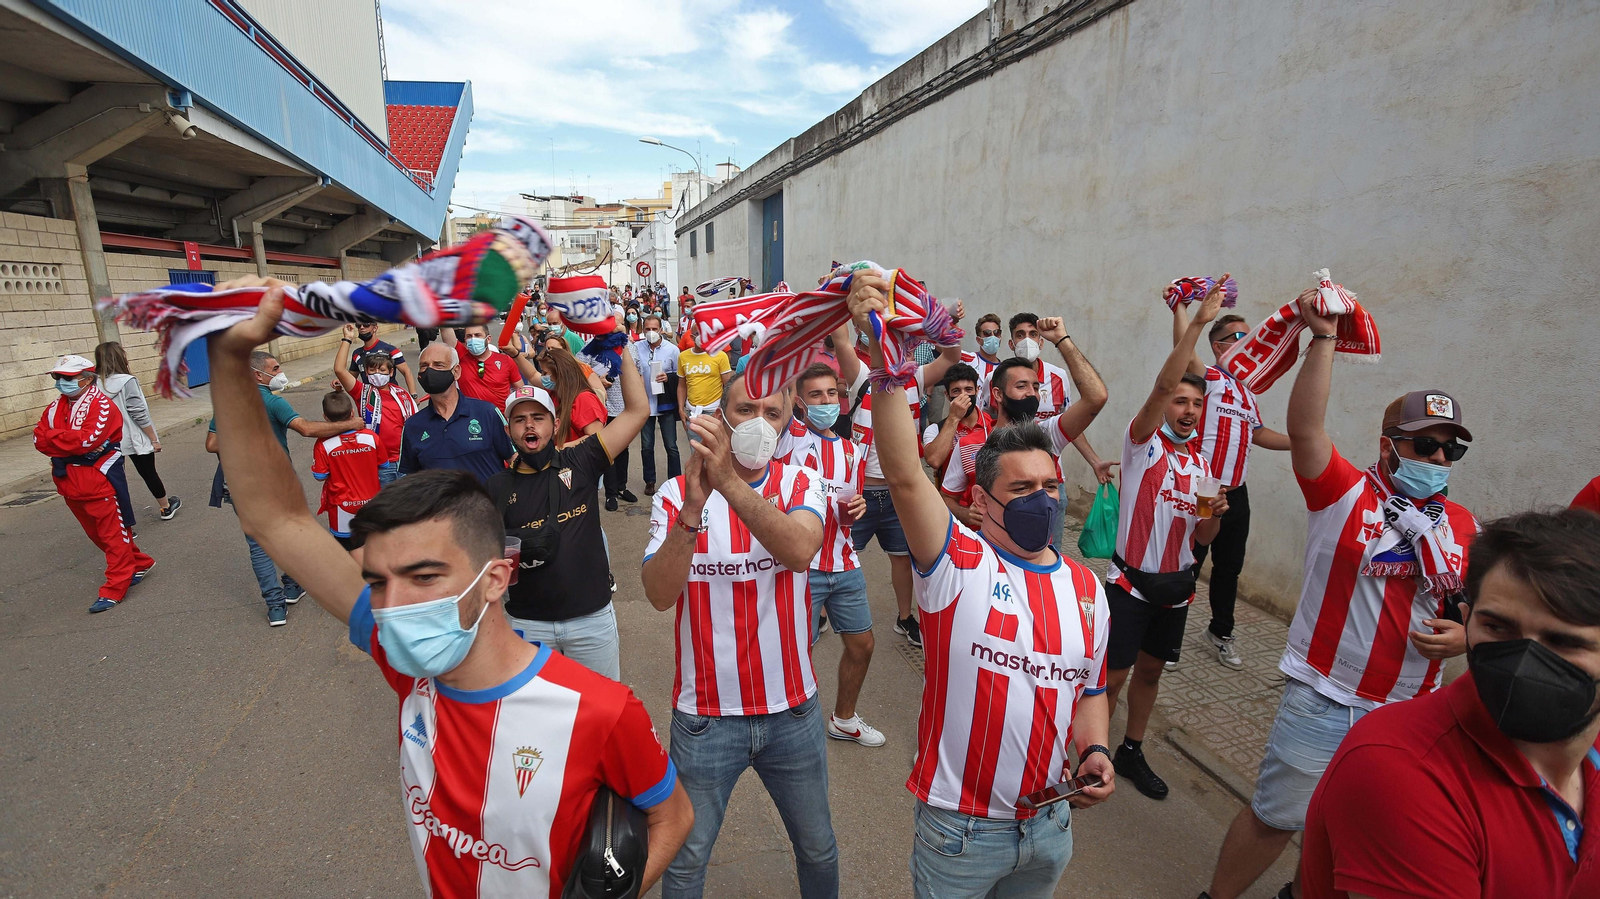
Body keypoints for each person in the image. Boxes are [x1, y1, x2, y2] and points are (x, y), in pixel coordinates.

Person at [202, 283, 693, 896]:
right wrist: (227, 360)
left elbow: (671, 814)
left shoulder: (603, 711)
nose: (392, 605)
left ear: (493, 578)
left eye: (424, 577)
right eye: (378, 582)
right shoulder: (411, 668)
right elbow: (274, 519)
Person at [845, 272, 1116, 898]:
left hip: (1051, 824)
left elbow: (1092, 687)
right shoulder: (955, 564)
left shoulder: (1085, 589)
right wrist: (886, 358)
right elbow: (908, 476)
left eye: (1050, 487)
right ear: (985, 499)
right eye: (1022, 489)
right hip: (961, 831)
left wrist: (1096, 750)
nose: (1042, 500)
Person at [1201, 293, 1480, 899]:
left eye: (1449, 449)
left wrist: (1468, 635)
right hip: (1324, 698)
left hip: (1407, 711)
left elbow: (1482, 611)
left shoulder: (1464, 526)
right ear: (1389, 445)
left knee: (1352, 829)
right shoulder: (1345, 492)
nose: (1437, 458)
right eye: (1423, 444)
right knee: (1276, 819)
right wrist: (1324, 338)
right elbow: (1305, 428)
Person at [1301, 509, 1600, 899]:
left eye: (1564, 642)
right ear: (1466, 620)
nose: (1524, 663)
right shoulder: (1398, 770)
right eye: (1497, 628)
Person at [641, 376, 835, 899]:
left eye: (772, 413)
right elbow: (659, 594)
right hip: (705, 716)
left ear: (788, 418)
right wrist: (691, 511)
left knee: (817, 848)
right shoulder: (676, 494)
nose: (758, 423)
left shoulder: (800, 482)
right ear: (721, 418)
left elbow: (798, 551)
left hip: (791, 710)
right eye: (745, 410)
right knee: (685, 861)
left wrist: (727, 481)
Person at [1102, 284, 1231, 801]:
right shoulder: (1142, 445)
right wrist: (1196, 323)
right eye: (1181, 400)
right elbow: (1160, 386)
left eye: (1197, 404)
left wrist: (1214, 513)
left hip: (1175, 589)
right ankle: (1085, 751)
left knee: (1151, 673)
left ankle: (1130, 751)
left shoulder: (1202, 466)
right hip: (1130, 585)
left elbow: (1203, 536)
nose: (1189, 409)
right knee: (1112, 677)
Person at [488, 352, 646, 679]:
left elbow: (638, 412)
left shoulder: (581, 459)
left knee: (602, 715)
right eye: (519, 419)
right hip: (528, 627)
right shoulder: (496, 487)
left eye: (538, 417)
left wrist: (623, 348)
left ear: (555, 424)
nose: (529, 425)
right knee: (542, 722)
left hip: (591, 621)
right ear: (509, 431)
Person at [833, 310, 964, 650]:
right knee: (837, 553)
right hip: (859, 490)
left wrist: (943, 322)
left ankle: (905, 618)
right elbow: (841, 340)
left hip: (897, 493)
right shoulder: (863, 374)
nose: (897, 348)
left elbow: (952, 356)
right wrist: (836, 302)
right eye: (891, 339)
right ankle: (819, 614)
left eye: (902, 341)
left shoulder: (916, 377)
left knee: (903, 558)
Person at [1174, 308, 1292, 670]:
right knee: (1188, 565)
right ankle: (1169, 638)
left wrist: (1301, 442)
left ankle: (1221, 632)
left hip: (1236, 494)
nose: (1248, 344)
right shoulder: (1206, 378)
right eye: (1239, 338)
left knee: (1229, 570)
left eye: (1249, 337)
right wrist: (1181, 308)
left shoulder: (1248, 392)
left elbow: (1258, 434)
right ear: (1217, 346)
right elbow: (1183, 345)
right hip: (1203, 490)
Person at [777, 362, 882, 747]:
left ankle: (844, 718)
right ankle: (787, 727)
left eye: (832, 394)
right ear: (801, 402)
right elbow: (780, 402)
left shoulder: (852, 450)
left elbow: (852, 500)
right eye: (816, 395)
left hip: (845, 561)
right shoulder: (792, 438)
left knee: (862, 644)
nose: (826, 401)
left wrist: (860, 508)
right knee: (793, 649)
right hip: (802, 567)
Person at [204, 347, 345, 626]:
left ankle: (275, 606)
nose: (280, 373)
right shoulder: (273, 402)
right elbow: (305, 428)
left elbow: (212, 444)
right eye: (276, 368)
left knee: (258, 546)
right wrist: (351, 422)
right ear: (259, 374)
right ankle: (293, 584)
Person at [938, 320, 1115, 536]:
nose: (1031, 393)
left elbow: (1096, 397)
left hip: (1037, 554)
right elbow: (947, 497)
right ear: (998, 395)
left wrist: (1062, 341)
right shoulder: (968, 444)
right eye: (1021, 386)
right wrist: (964, 514)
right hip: (988, 554)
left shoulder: (1047, 434)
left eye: (1036, 387)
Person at [35, 354, 155, 613]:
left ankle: (115, 586)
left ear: (87, 379)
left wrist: (58, 440)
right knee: (97, 534)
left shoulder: (100, 405)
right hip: (68, 480)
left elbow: (86, 441)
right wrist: (67, 441)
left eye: (66, 378)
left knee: (112, 535)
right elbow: (39, 441)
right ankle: (140, 562)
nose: (60, 382)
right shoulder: (55, 407)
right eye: (57, 377)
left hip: (98, 479)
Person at [399, 342, 515, 484]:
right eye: (424, 366)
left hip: (487, 504)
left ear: (456, 372)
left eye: (438, 365)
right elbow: (411, 480)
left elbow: (514, 459)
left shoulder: (487, 413)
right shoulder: (413, 426)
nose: (430, 371)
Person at [94, 341, 180, 522]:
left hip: (107, 439)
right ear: (120, 358)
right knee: (148, 472)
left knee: (116, 481)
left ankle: (123, 524)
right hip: (132, 437)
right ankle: (165, 507)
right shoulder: (127, 381)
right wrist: (153, 438)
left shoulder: (93, 384)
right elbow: (138, 412)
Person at [335, 324, 415, 486]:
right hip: (381, 463)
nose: (377, 375)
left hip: (405, 461)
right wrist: (347, 339)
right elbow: (339, 370)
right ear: (366, 373)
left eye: (382, 371)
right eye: (372, 371)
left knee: (410, 508)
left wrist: (413, 396)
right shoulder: (363, 393)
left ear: (391, 373)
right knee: (386, 507)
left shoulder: (401, 394)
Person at [310, 390, 381, 549]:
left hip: (341, 507)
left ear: (325, 417)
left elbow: (320, 475)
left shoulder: (323, 444)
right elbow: (383, 465)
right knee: (373, 551)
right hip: (372, 503)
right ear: (352, 413)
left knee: (348, 553)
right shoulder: (371, 437)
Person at [632, 313, 681, 495]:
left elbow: (681, 376)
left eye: (654, 329)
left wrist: (668, 377)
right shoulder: (636, 348)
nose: (651, 332)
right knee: (646, 446)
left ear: (661, 329)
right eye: (648, 329)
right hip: (644, 405)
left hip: (665, 405)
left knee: (671, 446)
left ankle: (675, 481)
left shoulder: (672, 350)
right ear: (643, 330)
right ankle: (650, 480)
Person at [921, 363, 990, 478]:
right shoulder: (935, 429)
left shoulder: (991, 423)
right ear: (947, 395)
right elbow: (934, 460)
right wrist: (954, 418)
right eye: (956, 391)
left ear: (977, 391)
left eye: (968, 390)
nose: (963, 396)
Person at [441, 323, 523, 406]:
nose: (473, 339)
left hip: (500, 416)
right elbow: (445, 328)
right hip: (471, 417)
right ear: (465, 339)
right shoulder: (461, 356)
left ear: (488, 339)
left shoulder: (506, 360)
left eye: (477, 335)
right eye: (469, 336)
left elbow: (520, 390)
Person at [676, 330, 731, 425]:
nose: (702, 336)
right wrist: (681, 409)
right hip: (691, 411)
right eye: (698, 333)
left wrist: (721, 409)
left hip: (713, 410)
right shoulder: (683, 356)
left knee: (713, 440)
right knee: (694, 440)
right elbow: (682, 385)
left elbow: (728, 386)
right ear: (692, 337)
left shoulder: (721, 355)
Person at [349, 322, 418, 395]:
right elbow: (351, 377)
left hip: (391, 397)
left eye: (366, 324)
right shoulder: (357, 354)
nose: (362, 327)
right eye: (358, 325)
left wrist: (413, 394)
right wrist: (340, 381)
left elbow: (406, 372)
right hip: (370, 398)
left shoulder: (390, 350)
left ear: (375, 328)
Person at [959, 313, 1006, 407]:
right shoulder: (968, 359)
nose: (993, 336)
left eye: (997, 332)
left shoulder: (1004, 370)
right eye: (987, 333)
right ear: (978, 339)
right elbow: (948, 350)